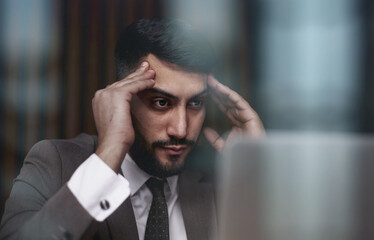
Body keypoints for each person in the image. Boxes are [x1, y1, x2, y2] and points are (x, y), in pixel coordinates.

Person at [0, 17, 265, 240]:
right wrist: (109, 155)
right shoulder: (55, 163)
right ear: (124, 97)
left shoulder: (219, 180)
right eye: (161, 102)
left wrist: (257, 174)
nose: (181, 130)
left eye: (196, 103)